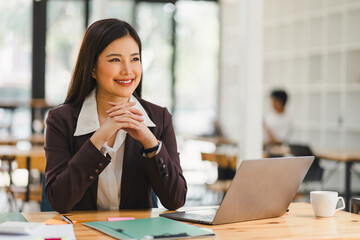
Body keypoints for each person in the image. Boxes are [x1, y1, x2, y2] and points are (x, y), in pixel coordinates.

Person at [44, 18, 187, 213]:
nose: (128, 70)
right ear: (92, 68)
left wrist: (149, 141)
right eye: (115, 60)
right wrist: (100, 137)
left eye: (135, 59)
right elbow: (59, 201)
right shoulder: (61, 120)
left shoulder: (159, 118)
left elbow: (176, 200)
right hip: (83, 233)